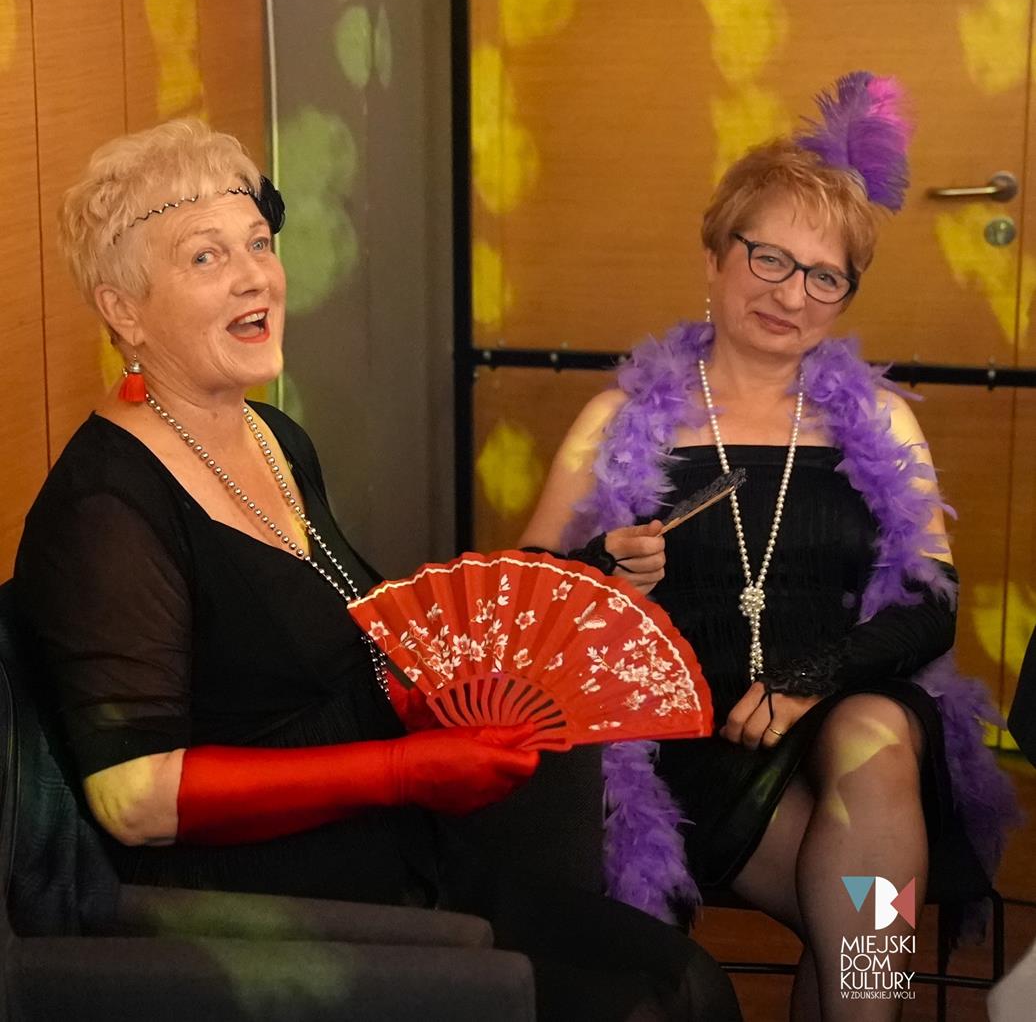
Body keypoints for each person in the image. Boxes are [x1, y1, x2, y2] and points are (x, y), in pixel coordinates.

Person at [14, 119, 740, 1022]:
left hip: (392, 842)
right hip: (263, 908)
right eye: (206, 257)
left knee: (690, 981)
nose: (255, 276)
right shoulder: (106, 506)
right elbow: (134, 797)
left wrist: (579, 583)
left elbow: (365, 637)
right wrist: (403, 770)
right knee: (644, 1001)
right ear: (123, 308)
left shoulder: (274, 438)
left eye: (259, 244)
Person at [521, 74, 1016, 1021]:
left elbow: (933, 604)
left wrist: (810, 678)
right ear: (715, 255)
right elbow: (524, 602)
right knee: (859, 922)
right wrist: (604, 568)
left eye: (825, 276)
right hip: (685, 743)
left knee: (875, 737)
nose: (792, 294)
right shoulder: (616, 420)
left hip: (838, 719)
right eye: (770, 259)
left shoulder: (881, 422)